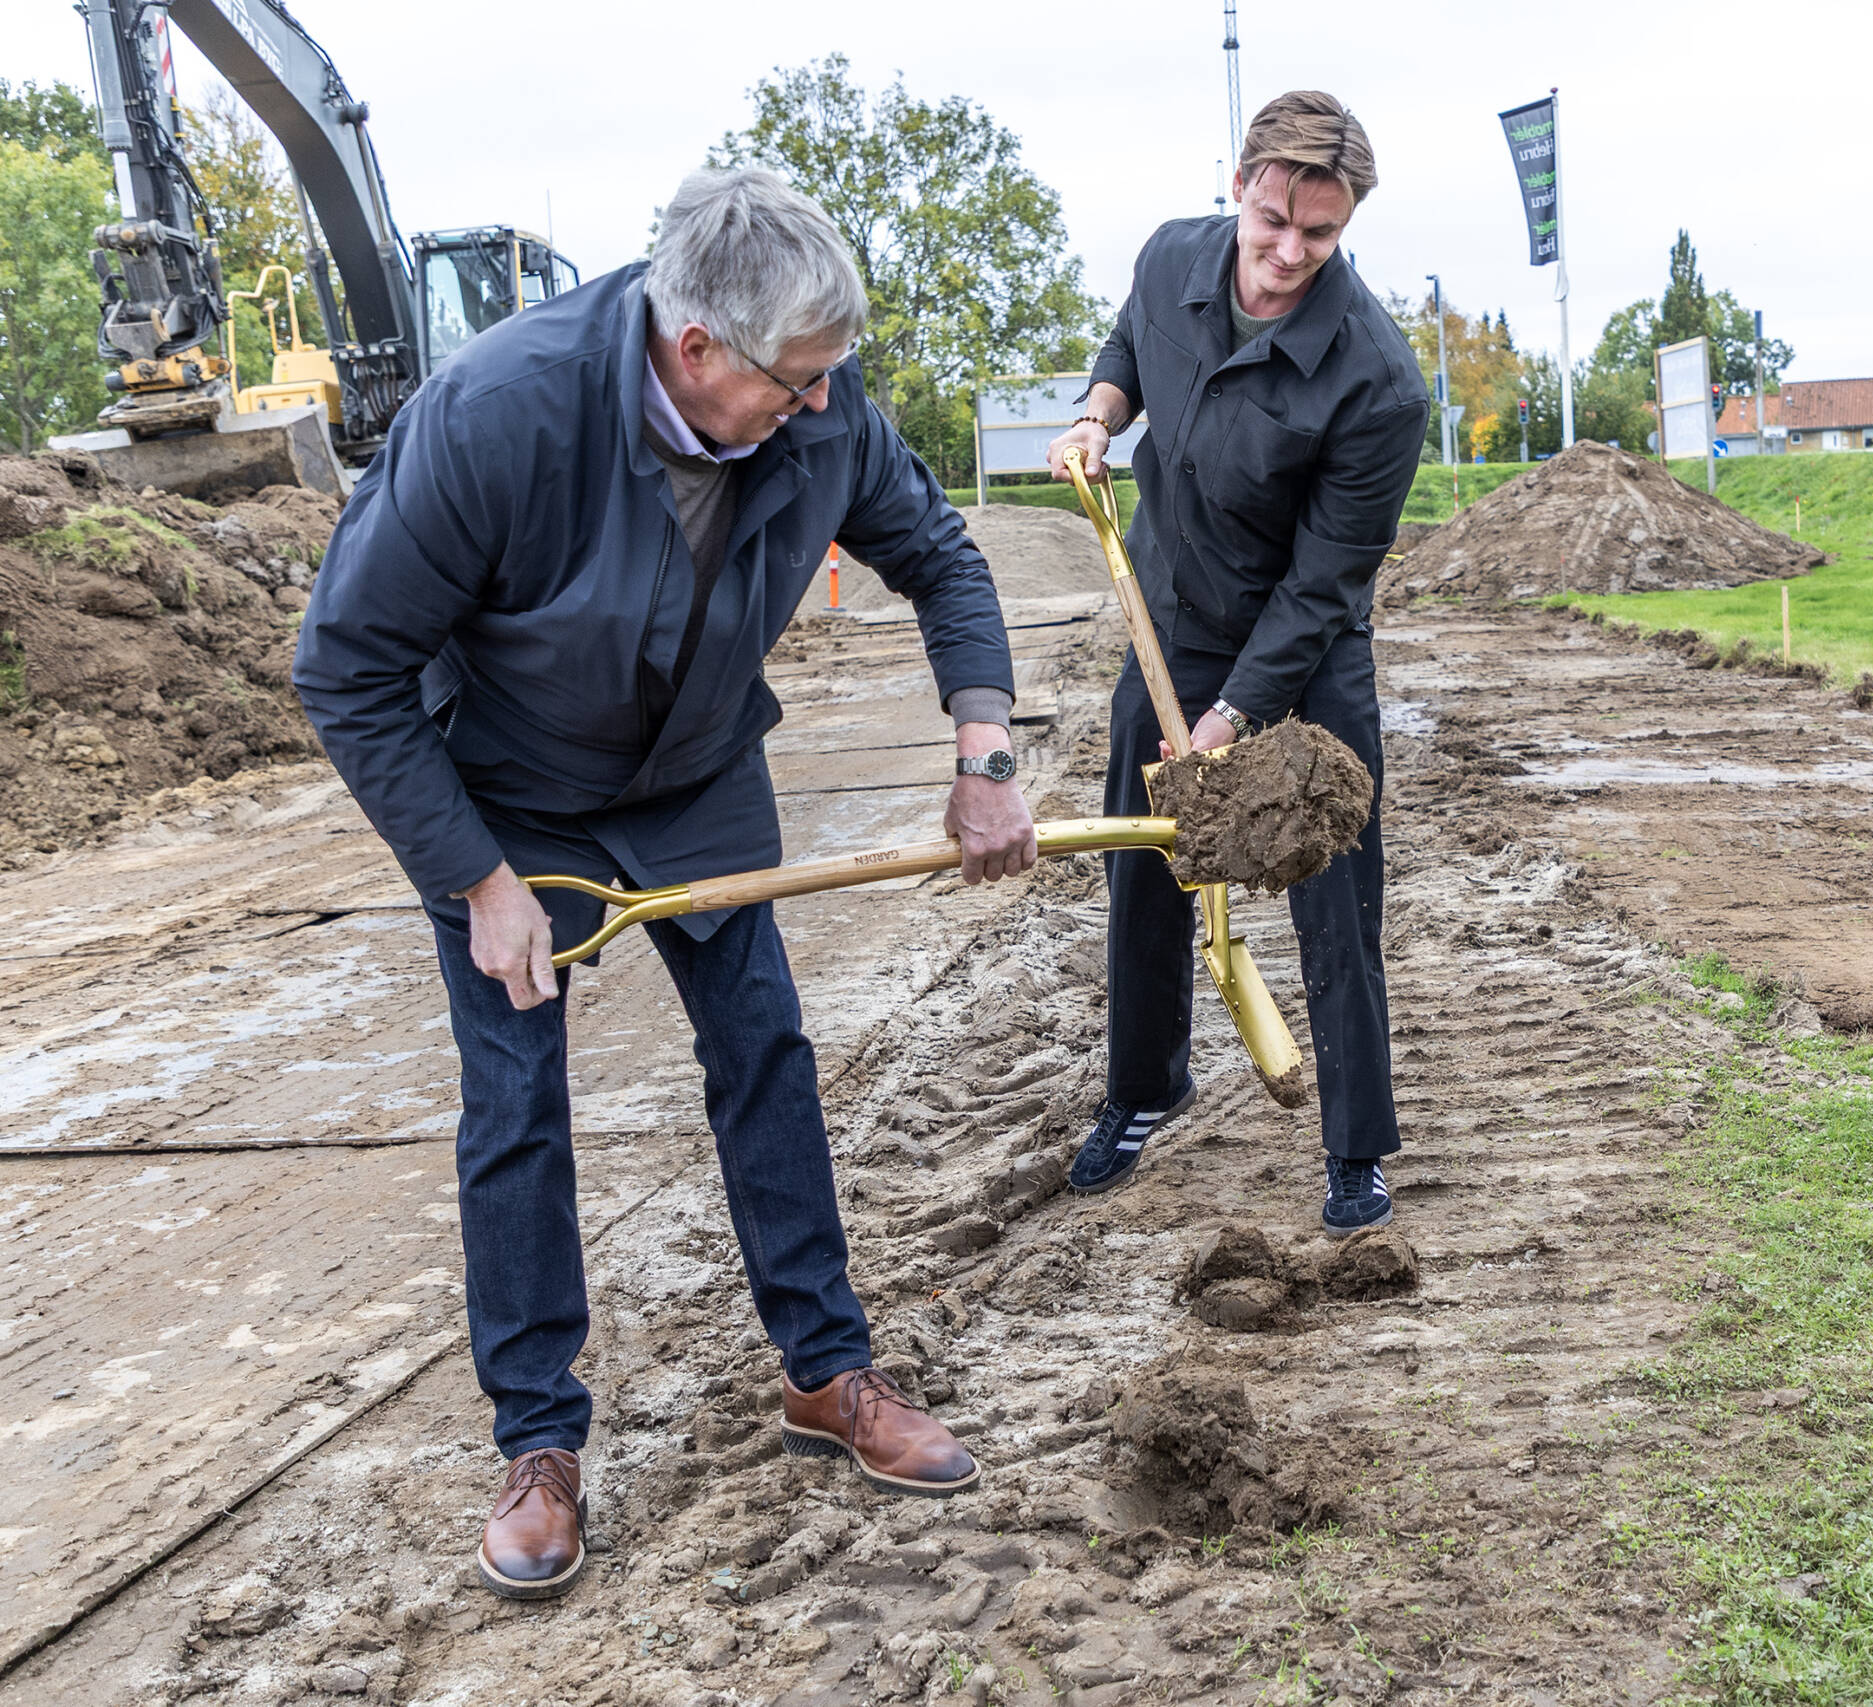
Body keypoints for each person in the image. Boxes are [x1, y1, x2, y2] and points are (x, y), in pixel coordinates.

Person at [294, 168, 1035, 1601]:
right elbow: (346, 668)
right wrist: (476, 879)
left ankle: (825, 1369)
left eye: (829, 377)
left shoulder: (819, 405)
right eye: (795, 382)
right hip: (510, 796)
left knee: (764, 1049)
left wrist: (985, 750)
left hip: (696, 771)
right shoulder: (498, 414)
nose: (821, 406)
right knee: (516, 1099)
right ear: (697, 349)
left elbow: (940, 558)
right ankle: (539, 1442)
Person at [1044, 92, 1427, 1235]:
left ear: (1347, 224)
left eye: (1320, 233)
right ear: (1239, 187)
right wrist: (1098, 416)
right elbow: (1130, 343)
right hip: (1169, 612)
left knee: (1333, 886)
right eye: (1273, 222)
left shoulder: (1378, 382)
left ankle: (1354, 1147)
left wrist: (1230, 718)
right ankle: (1143, 1088)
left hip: (1302, 653)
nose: (1290, 253)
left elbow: (1324, 585)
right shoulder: (1171, 257)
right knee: (1142, 859)